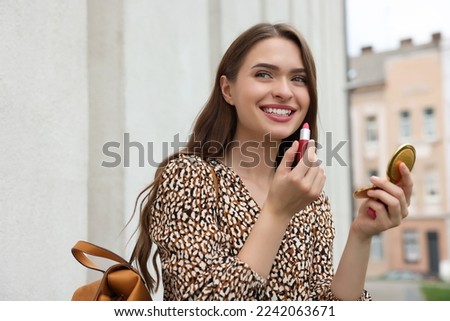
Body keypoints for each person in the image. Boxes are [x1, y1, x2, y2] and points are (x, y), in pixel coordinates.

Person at [130, 22, 413, 300]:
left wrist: (361, 235)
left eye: (298, 79)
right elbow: (201, 306)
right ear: (228, 90)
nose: (285, 91)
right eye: (264, 74)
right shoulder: (189, 177)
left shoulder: (308, 195)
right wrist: (277, 212)